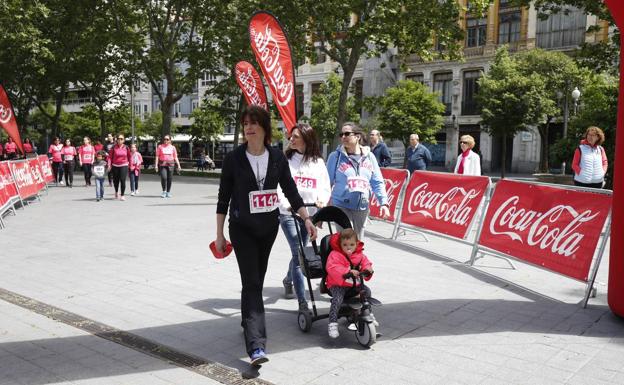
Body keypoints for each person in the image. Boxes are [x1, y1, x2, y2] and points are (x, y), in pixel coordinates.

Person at [215, 105, 318, 366]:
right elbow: (223, 199)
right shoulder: (234, 159)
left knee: (256, 280)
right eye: (245, 124)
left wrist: (306, 219)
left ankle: (247, 318)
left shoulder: (276, 158)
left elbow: (291, 192)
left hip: (268, 228)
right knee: (251, 283)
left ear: (264, 127)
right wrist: (219, 235)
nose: (248, 128)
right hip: (241, 228)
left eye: (254, 123)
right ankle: (256, 345)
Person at [277, 123, 331, 308]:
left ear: (306, 139)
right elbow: (279, 186)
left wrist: (322, 201)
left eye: (295, 136)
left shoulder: (318, 162)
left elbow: (324, 186)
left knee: (298, 253)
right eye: (291, 136)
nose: (291, 139)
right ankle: (303, 304)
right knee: (299, 253)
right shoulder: (285, 160)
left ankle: (287, 279)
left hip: (310, 215)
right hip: (288, 214)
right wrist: (285, 204)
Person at [327, 122, 390, 241]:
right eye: (341, 135)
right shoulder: (335, 157)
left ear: (357, 136)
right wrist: (322, 210)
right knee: (345, 242)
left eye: (347, 134)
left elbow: (377, 182)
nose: (343, 137)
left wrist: (384, 203)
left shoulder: (369, 156)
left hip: (362, 206)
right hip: (341, 205)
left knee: (358, 243)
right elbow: (326, 183)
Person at [325, 228, 375, 338]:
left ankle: (368, 314)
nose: (349, 247)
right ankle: (332, 323)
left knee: (366, 292)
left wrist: (368, 269)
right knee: (337, 299)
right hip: (337, 284)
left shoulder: (359, 254)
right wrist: (347, 272)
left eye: (352, 244)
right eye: (345, 244)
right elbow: (332, 268)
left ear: (356, 244)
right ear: (340, 244)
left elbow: (366, 262)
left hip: (353, 284)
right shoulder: (335, 254)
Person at [107, 134, 131, 200]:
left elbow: (129, 157)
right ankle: (116, 192)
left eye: (121, 139)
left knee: (123, 180)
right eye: (118, 138)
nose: (120, 140)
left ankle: (122, 195)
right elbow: (109, 157)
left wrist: (130, 165)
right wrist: (109, 165)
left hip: (124, 165)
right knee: (116, 181)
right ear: (116, 140)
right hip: (115, 166)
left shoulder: (126, 147)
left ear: (124, 140)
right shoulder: (113, 147)